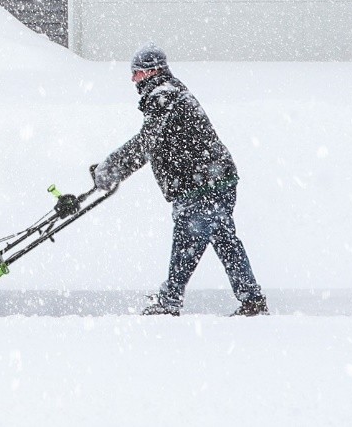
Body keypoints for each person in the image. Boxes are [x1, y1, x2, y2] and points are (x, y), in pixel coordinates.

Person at [93, 45, 268, 317]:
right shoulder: (172, 93)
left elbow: (146, 144)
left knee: (188, 240)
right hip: (213, 180)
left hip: (202, 184)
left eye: (136, 74)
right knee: (223, 241)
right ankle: (251, 300)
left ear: (152, 71)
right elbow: (154, 143)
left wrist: (111, 169)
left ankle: (171, 300)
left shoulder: (164, 96)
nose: (133, 80)